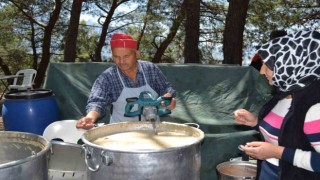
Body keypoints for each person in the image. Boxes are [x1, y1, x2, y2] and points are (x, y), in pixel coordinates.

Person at [234, 30, 320, 179]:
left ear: (291, 64)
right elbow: (289, 131)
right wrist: (256, 121)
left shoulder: (314, 107)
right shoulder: (285, 94)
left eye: (268, 65)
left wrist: (277, 152)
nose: (261, 71)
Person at [76, 33, 176, 129]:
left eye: (126, 56)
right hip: (121, 133)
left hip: (152, 128)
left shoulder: (150, 69)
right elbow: (97, 102)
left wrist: (169, 97)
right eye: (116, 57)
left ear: (137, 54)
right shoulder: (107, 77)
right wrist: (90, 117)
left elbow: (165, 88)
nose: (121, 61)